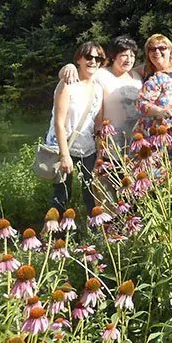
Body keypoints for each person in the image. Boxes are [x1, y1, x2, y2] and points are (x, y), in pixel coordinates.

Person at [46, 42, 105, 215]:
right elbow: (59, 122)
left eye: (98, 58)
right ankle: (54, 234)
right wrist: (64, 156)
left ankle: (94, 231)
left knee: (91, 191)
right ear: (78, 59)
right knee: (62, 194)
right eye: (88, 57)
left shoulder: (98, 89)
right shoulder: (67, 85)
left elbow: (99, 122)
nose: (93, 61)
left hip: (88, 147)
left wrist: (100, 151)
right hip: (64, 145)